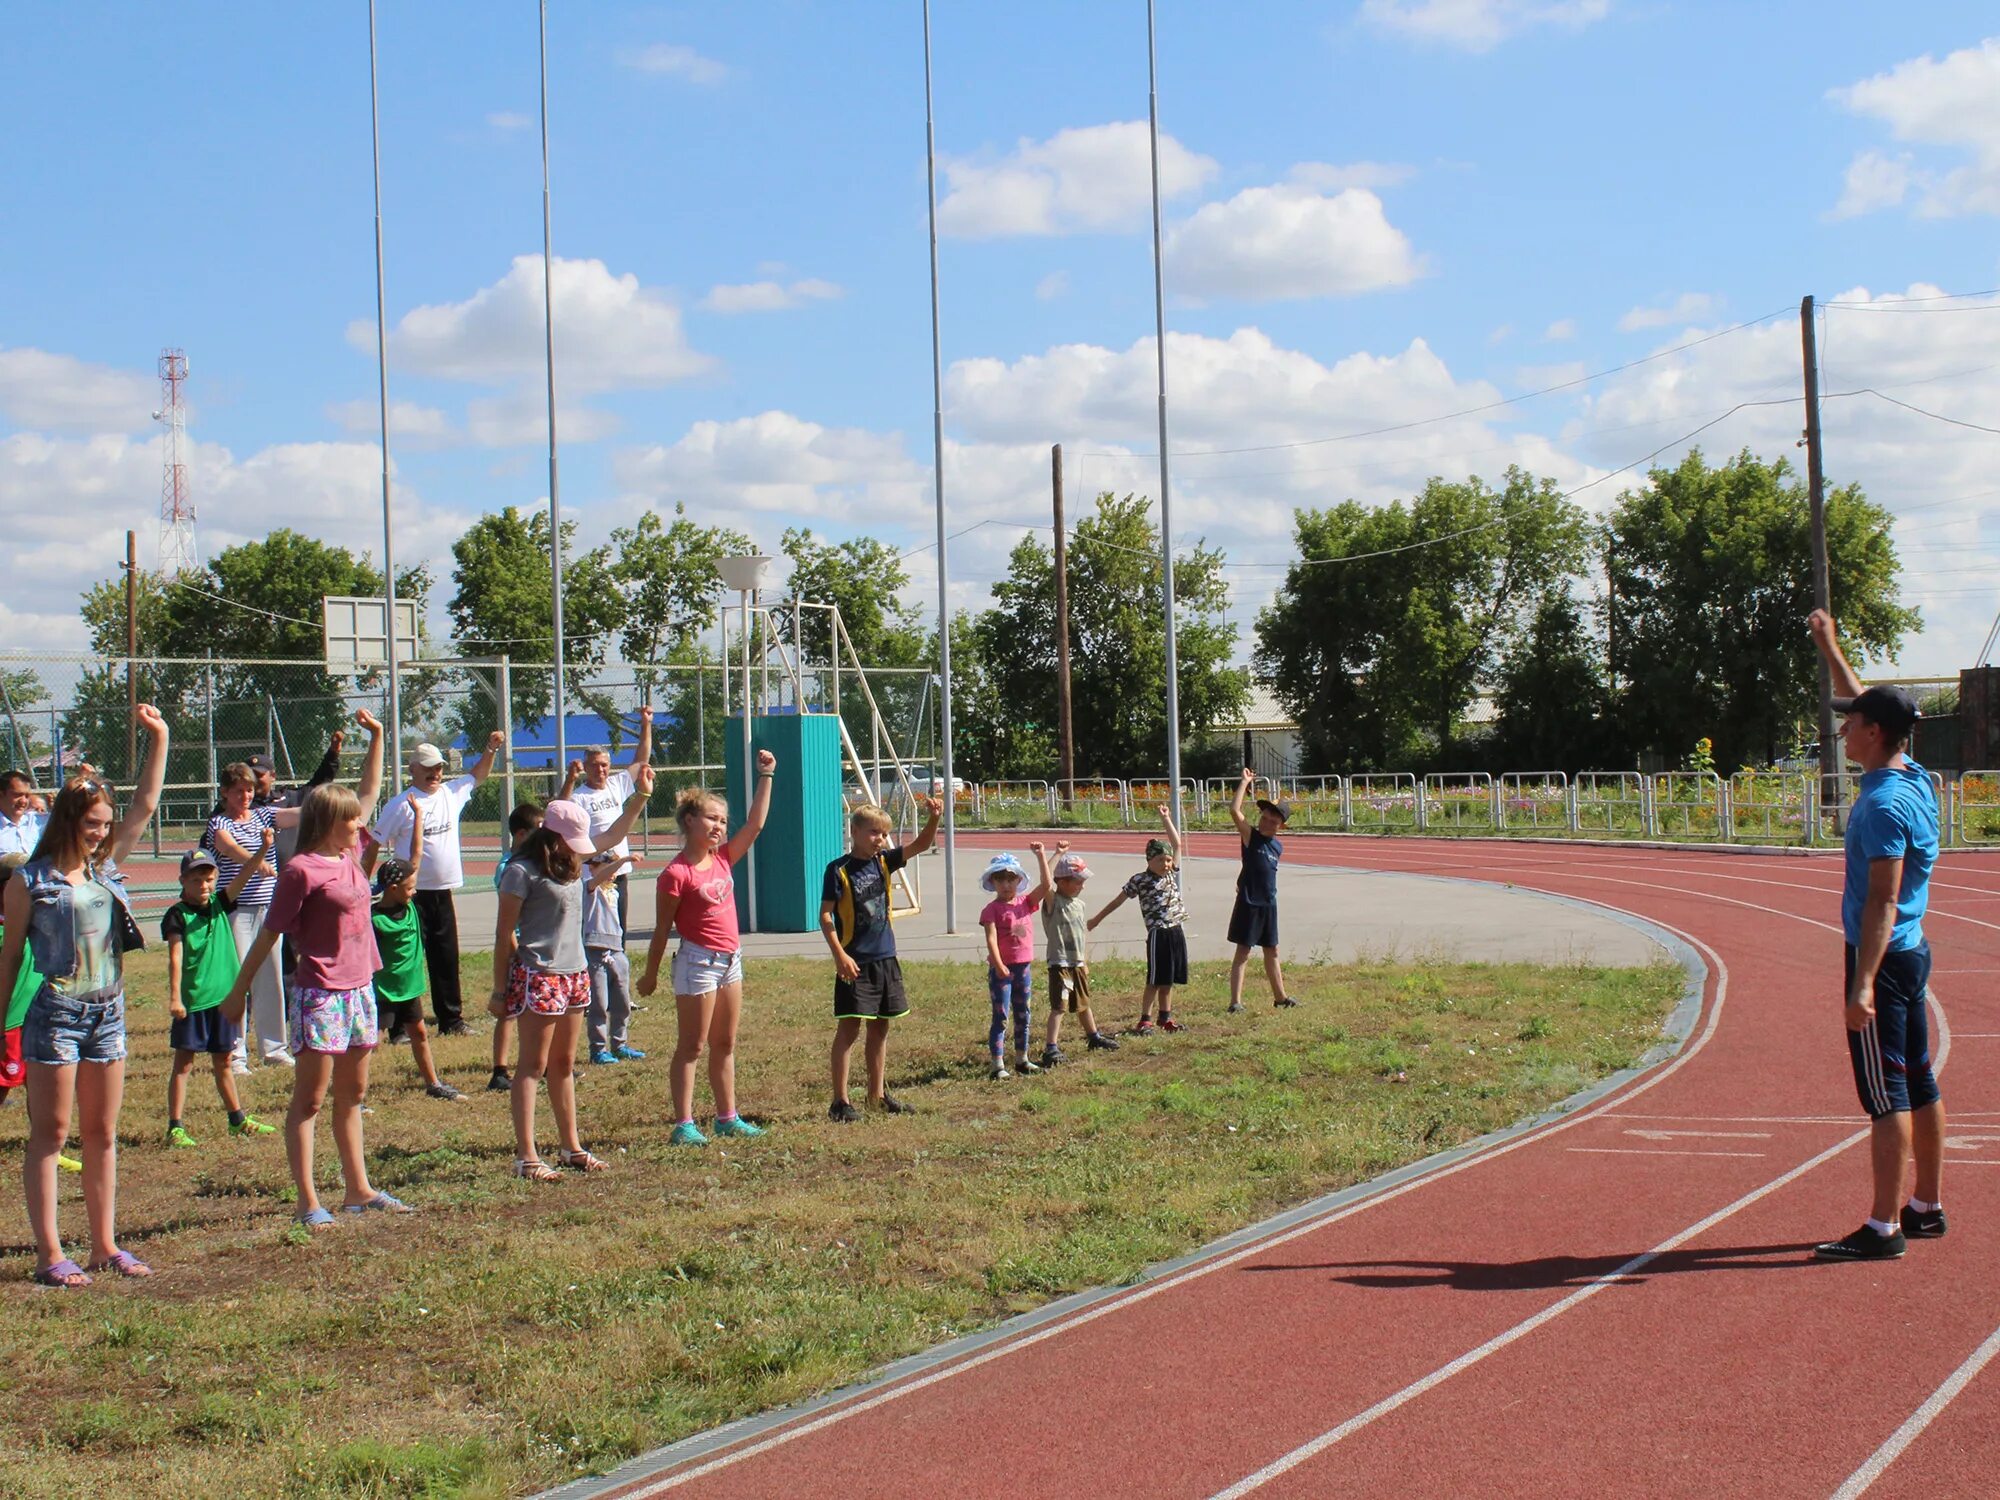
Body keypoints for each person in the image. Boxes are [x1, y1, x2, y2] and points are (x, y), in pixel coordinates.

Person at [0, 704, 169, 1286]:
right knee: (50, 1135)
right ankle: (50, 1253)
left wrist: (159, 737)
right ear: (69, 819)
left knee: (102, 1134)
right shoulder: (31, 881)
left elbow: (146, 803)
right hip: (55, 1016)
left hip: (109, 1012)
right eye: (91, 822)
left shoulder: (107, 871)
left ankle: (105, 1245)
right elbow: (11, 958)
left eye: (105, 823)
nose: (100, 831)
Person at [222, 710, 407, 1227]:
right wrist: (238, 994)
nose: (360, 825)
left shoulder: (350, 857)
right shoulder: (300, 871)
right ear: (328, 823)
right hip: (321, 994)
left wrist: (376, 737)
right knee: (310, 1100)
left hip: (359, 991)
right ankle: (308, 1201)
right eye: (351, 820)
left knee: (353, 1096)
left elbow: (368, 791)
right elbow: (269, 936)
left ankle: (358, 1190)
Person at [1807, 609, 1947, 1262]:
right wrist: (1831, 647)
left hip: (1884, 960)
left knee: (1885, 1092)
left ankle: (1884, 1227)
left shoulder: (1883, 805)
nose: (1842, 730)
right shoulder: (1912, 777)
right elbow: (1872, 703)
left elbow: (1883, 902)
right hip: (1913, 954)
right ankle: (1925, 1207)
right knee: (1919, 1080)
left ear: (1873, 734)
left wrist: (1861, 982)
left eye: (1850, 723)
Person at [489, 768, 654, 1181]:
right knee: (532, 1066)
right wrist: (498, 990)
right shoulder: (520, 872)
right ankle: (527, 1157)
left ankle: (571, 1148)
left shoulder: (571, 861)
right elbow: (504, 933)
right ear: (551, 836)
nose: (581, 849)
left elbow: (612, 836)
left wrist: (641, 797)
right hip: (539, 975)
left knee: (563, 1064)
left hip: (575, 974)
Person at [638, 753, 776, 1146]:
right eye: (710, 818)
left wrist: (766, 774)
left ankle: (726, 1117)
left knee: (725, 1043)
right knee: (692, 1046)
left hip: (730, 961)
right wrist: (649, 975)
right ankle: (683, 1124)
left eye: (721, 820)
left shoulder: (723, 860)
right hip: (697, 963)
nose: (718, 826)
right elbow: (662, 929)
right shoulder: (675, 875)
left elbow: (756, 824)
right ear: (688, 821)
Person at [370, 733, 506, 1037]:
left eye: (439, 768)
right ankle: (402, 1026)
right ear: (412, 769)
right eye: (429, 768)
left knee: (446, 957)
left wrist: (490, 748)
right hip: (409, 896)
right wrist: (363, 884)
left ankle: (451, 1020)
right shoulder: (400, 805)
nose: (436, 774)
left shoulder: (449, 792)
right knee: (407, 961)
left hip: (442, 892)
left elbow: (477, 776)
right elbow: (374, 842)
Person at [821, 794, 943, 1122]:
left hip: (885, 958)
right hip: (855, 961)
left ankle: (876, 1095)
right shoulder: (838, 870)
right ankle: (840, 1101)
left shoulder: (884, 862)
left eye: (884, 834)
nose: (880, 839)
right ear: (855, 831)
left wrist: (933, 819)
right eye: (874, 832)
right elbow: (826, 917)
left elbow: (919, 845)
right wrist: (840, 956)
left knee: (881, 1028)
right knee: (849, 1029)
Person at [164, 841, 281, 1148]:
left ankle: (237, 1119)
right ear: (182, 882)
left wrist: (261, 852)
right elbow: (175, 957)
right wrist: (176, 997)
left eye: (208, 879)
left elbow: (243, 877)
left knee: (224, 1061)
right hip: (193, 1002)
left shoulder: (220, 902)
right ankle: (175, 1126)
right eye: (196, 879)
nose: (203, 885)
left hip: (222, 1001)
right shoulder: (177, 915)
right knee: (184, 1064)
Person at [208, 762, 299, 1071]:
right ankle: (235, 1054)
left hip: (269, 911)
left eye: (248, 790)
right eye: (237, 791)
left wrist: (327, 803)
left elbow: (297, 816)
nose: (245, 796)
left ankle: (274, 1049)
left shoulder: (263, 815)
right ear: (224, 793)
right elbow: (228, 847)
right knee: (237, 981)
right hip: (236, 913)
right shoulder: (219, 822)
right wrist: (256, 859)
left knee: (271, 978)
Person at [371, 810, 463, 1102]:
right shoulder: (374, 919)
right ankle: (355, 1094)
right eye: (410, 888)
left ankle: (433, 1083)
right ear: (393, 889)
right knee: (371, 1043)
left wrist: (419, 817)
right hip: (384, 990)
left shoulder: (409, 904)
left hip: (409, 988)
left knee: (420, 1033)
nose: (414, 892)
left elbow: (417, 852)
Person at [0, 853, 82, 1173]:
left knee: (38, 1083)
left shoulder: (35, 922)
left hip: (38, 1017)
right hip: (9, 1023)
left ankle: (50, 1146)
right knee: (6, 1081)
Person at [1089, 805, 1189, 1035]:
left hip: (1175, 929)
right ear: (1149, 860)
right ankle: (1145, 1018)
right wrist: (1097, 919)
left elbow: (1177, 844)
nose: (1166, 864)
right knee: (1154, 978)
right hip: (1158, 933)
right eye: (1161, 860)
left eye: (1168, 860)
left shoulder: (1172, 872)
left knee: (1169, 978)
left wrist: (1166, 818)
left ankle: (1166, 1016)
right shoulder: (1140, 880)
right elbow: (1118, 900)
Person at [556, 709, 654, 931]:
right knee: (596, 930)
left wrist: (646, 725)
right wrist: (570, 780)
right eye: (594, 765)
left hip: (618, 870)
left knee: (619, 929)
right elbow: (559, 809)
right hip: (594, 872)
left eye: (604, 764)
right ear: (586, 767)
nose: (600, 769)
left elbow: (641, 761)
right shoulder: (579, 795)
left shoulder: (616, 785)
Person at [1039, 843, 1119, 1068]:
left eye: (1083, 881)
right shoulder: (1053, 902)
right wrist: (1055, 854)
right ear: (1062, 881)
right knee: (1060, 1007)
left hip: (1077, 963)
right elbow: (1045, 881)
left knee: (1083, 1003)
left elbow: (1082, 934)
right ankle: (1051, 1048)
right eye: (1077, 881)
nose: (1082, 886)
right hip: (1060, 963)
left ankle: (1093, 1036)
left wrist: (1084, 960)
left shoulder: (1080, 905)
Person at [1226, 768, 1298, 1013]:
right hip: (1249, 902)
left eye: (1274, 820)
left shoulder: (1277, 847)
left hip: (1269, 903)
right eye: (1265, 817)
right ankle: (1235, 1002)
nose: (1267, 822)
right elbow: (1235, 812)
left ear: (1281, 826)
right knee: (1243, 951)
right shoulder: (1251, 837)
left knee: (1272, 950)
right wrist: (1244, 783)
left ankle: (1280, 997)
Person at [486, 802, 544, 1094]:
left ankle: (539, 1063)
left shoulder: (532, 862)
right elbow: (507, 921)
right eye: (538, 831)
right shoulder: (510, 867)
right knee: (509, 1010)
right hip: (516, 944)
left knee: (534, 1009)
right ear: (521, 834)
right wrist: (513, 950)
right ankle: (500, 1070)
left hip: (531, 944)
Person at [979, 848, 1049, 1080]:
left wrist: (1042, 856)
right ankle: (997, 1064)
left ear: (1018, 881)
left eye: (1011, 879)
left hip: (1023, 968)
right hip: (1002, 970)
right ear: (993, 882)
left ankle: (1022, 1058)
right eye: (1000, 879)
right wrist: (998, 964)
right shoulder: (991, 910)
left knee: (1023, 1013)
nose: (1006, 885)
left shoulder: (1025, 903)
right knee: (1001, 1016)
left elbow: (1046, 886)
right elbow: (991, 939)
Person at [582, 852, 642, 1068]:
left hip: (616, 949)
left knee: (621, 1001)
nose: (613, 872)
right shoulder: (590, 888)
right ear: (592, 868)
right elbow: (599, 877)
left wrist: (619, 864)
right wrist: (624, 860)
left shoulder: (613, 892)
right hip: (596, 952)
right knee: (599, 1003)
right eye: (607, 866)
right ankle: (598, 1049)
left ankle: (620, 1043)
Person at [0, 769, 47, 860]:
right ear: (1, 795)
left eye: (27, 796)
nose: (23, 801)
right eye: (17, 795)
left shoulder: (38, 821)